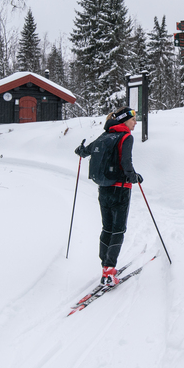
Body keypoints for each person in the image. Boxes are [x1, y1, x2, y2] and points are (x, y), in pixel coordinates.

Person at [75, 106, 143, 286]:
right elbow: (126, 162)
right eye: (133, 119)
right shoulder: (126, 137)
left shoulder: (105, 136)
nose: (135, 123)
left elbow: (86, 151)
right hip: (120, 189)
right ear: (124, 120)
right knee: (118, 229)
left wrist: (80, 150)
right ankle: (109, 271)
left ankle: (105, 267)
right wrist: (134, 176)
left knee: (107, 228)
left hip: (104, 188)